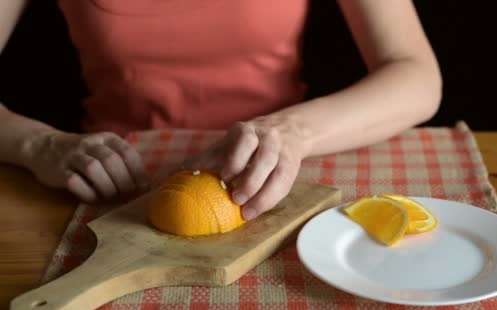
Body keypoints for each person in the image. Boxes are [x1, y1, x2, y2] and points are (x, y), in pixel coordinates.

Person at [0, 0, 441, 220]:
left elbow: (416, 75)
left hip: (278, 180)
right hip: (107, 191)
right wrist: (40, 144)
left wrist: (291, 132)